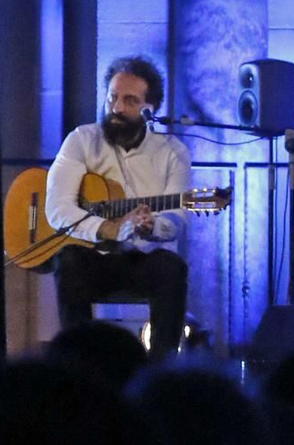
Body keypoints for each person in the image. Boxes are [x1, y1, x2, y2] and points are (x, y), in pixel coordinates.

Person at [45, 59, 189, 351]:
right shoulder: (81, 140)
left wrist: (152, 227)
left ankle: (160, 372)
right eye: (112, 97)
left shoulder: (173, 152)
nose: (117, 108)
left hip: (143, 259)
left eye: (130, 100)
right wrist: (108, 228)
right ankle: (78, 364)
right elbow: (58, 208)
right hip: (93, 256)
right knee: (68, 260)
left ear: (150, 108)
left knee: (172, 268)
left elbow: (177, 218)